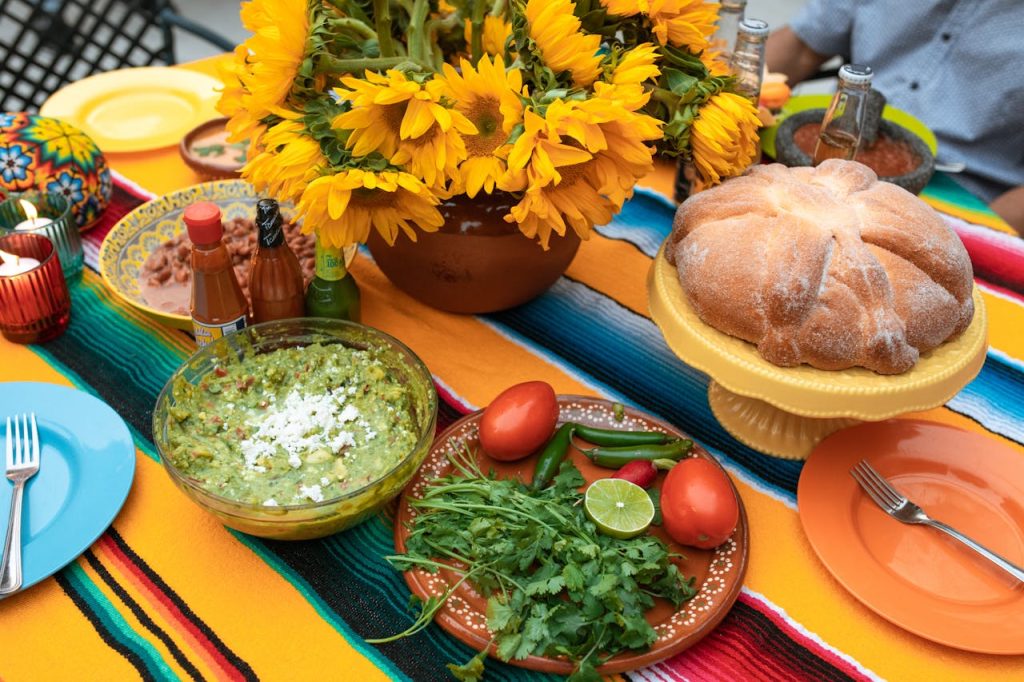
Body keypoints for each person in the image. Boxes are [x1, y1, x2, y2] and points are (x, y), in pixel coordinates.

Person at [765, 0, 1024, 235]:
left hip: (965, 201)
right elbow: (801, 47)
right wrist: (730, 95)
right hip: (832, 150)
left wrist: (981, 230)